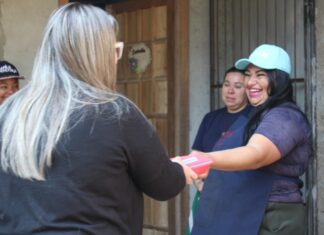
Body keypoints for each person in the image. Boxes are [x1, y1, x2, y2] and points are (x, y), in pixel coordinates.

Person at [0, 3, 197, 235]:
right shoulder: (116, 113)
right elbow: (163, 184)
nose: (116, 59)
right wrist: (180, 171)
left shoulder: (9, 112)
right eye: (114, 50)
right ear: (97, 56)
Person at [189, 44, 312, 235]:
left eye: (260, 75)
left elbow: (255, 155)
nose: (250, 82)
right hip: (247, 210)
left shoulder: (285, 117)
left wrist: (203, 160)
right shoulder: (258, 115)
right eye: (248, 74)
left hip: (273, 215)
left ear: (278, 79)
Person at [185, 66, 251, 235]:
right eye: (226, 84)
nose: (230, 91)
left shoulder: (254, 119)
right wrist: (199, 185)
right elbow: (196, 156)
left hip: (239, 199)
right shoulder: (210, 118)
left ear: (247, 90)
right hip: (207, 197)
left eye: (238, 86)